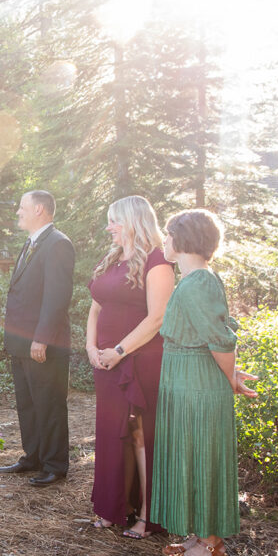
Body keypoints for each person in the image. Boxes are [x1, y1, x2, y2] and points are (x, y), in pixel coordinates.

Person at [150, 210, 257, 556]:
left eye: (168, 234)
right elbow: (214, 338)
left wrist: (230, 378)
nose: (164, 240)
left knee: (201, 455)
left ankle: (213, 546)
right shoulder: (194, 280)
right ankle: (201, 536)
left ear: (183, 239)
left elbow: (220, 339)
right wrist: (232, 371)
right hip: (188, 378)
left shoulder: (198, 283)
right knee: (190, 453)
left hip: (197, 383)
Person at [86, 196, 175, 538]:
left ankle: (148, 515)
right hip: (104, 361)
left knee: (140, 434)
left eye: (115, 221)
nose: (109, 227)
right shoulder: (112, 259)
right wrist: (91, 347)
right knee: (111, 432)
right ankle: (112, 508)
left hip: (139, 359)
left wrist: (120, 350)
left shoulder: (158, 260)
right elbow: (95, 309)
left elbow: (158, 317)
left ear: (133, 222)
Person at [0, 191, 75, 487]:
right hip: (21, 343)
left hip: (44, 344)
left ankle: (55, 465)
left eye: (22, 207)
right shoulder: (31, 243)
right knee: (27, 403)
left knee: (49, 403)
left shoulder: (58, 244)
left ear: (39, 209)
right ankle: (33, 457)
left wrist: (41, 339)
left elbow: (57, 298)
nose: (18, 212)